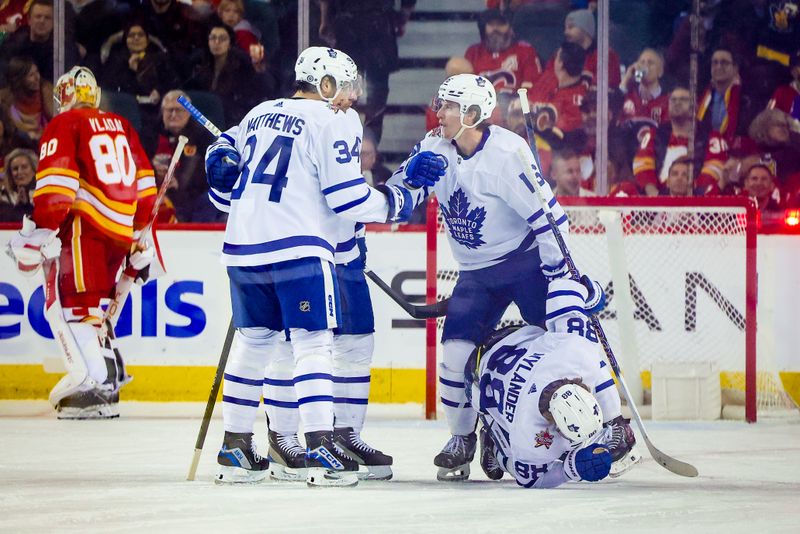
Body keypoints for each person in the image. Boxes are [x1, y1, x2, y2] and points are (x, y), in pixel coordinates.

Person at [204, 46, 442, 486]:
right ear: (326, 84)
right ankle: (319, 448)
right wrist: (397, 201)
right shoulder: (331, 119)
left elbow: (222, 179)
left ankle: (235, 447)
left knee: (254, 343)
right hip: (299, 246)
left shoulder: (257, 113)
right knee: (313, 345)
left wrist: (214, 161)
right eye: (346, 85)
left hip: (242, 246)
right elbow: (346, 197)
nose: (352, 96)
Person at [387, 73, 602, 482]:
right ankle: (461, 437)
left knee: (568, 338)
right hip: (476, 273)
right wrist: (409, 179)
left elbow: (551, 219)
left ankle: (604, 422)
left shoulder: (507, 152)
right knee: (454, 357)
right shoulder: (433, 146)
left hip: (525, 265)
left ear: (472, 114)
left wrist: (560, 276)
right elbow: (398, 200)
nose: (440, 111)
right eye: (442, 103)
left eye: (449, 106)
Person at [6, 66, 157, 419]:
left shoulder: (65, 124)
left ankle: (93, 380)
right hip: (119, 233)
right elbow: (147, 188)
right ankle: (106, 391)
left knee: (75, 309)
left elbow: (57, 188)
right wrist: (137, 233)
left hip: (83, 229)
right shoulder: (122, 125)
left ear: (67, 95)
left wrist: (43, 228)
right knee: (96, 310)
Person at [466, 278, 640, 488]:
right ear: (553, 424)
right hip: (477, 375)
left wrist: (591, 291)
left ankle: (614, 422)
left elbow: (563, 288)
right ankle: (494, 449)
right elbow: (530, 478)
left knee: (593, 357)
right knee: (522, 454)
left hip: (513, 338)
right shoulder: (527, 431)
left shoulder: (576, 351)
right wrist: (570, 469)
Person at [318, 0, 416, 143]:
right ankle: (369, 145)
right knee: (376, 90)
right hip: (378, 22)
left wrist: (325, 18)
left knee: (349, 85)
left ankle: (347, 141)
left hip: (348, 22)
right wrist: (403, 16)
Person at [634, 87, 728, 196]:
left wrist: (693, 196)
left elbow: (714, 168)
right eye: (673, 100)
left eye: (683, 99)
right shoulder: (654, 134)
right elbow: (642, 164)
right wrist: (654, 195)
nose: (677, 103)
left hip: (696, 204)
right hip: (658, 201)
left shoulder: (712, 137)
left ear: (695, 107)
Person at [148, 90, 216, 222]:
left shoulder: (203, 136)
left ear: (189, 112)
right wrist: (154, 170)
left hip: (190, 196)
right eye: (170, 110)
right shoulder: (150, 133)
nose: (174, 115)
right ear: (162, 112)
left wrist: (178, 180)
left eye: (179, 110)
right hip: (155, 193)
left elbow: (207, 171)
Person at [464, 9, 542, 96]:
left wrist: (523, 107)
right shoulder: (473, 52)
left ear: (510, 28)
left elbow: (531, 89)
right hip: (480, 106)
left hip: (514, 106)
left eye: (501, 24)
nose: (495, 29)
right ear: (484, 27)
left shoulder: (525, 51)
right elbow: (465, 88)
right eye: (491, 24)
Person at [0, 56, 54, 145]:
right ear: (19, 79)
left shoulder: (47, 91)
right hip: (19, 145)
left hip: (47, 141)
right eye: (31, 75)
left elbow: (58, 121)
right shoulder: (5, 99)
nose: (37, 78)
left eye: (37, 72)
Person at [620, 48, 670, 126]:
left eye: (650, 63)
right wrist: (627, 78)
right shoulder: (627, 96)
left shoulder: (668, 101)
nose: (645, 66)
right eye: (642, 62)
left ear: (660, 71)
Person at [0, 147, 37, 221]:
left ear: (34, 170)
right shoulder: (2, 197)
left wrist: (26, 205)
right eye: (15, 169)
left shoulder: (42, 194)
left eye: (24, 167)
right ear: (10, 173)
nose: (19, 172)